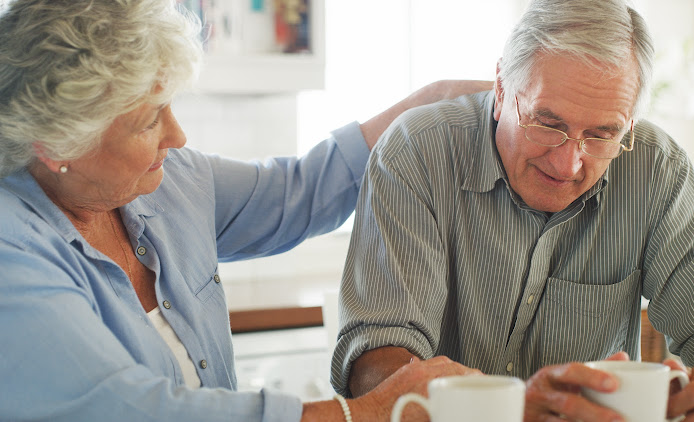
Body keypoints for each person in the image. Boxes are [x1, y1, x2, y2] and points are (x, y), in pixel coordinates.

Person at [0, 0, 490, 421]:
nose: (177, 136)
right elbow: (130, 408)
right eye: (150, 121)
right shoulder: (13, 251)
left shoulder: (168, 184)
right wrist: (360, 413)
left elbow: (297, 192)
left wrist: (430, 102)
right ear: (58, 145)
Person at [331, 0, 694, 421]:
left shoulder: (655, 168)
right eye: (548, 124)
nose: (569, 163)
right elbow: (376, 363)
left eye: (603, 134)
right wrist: (508, 409)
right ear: (503, 88)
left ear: (628, 123)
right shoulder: (417, 152)